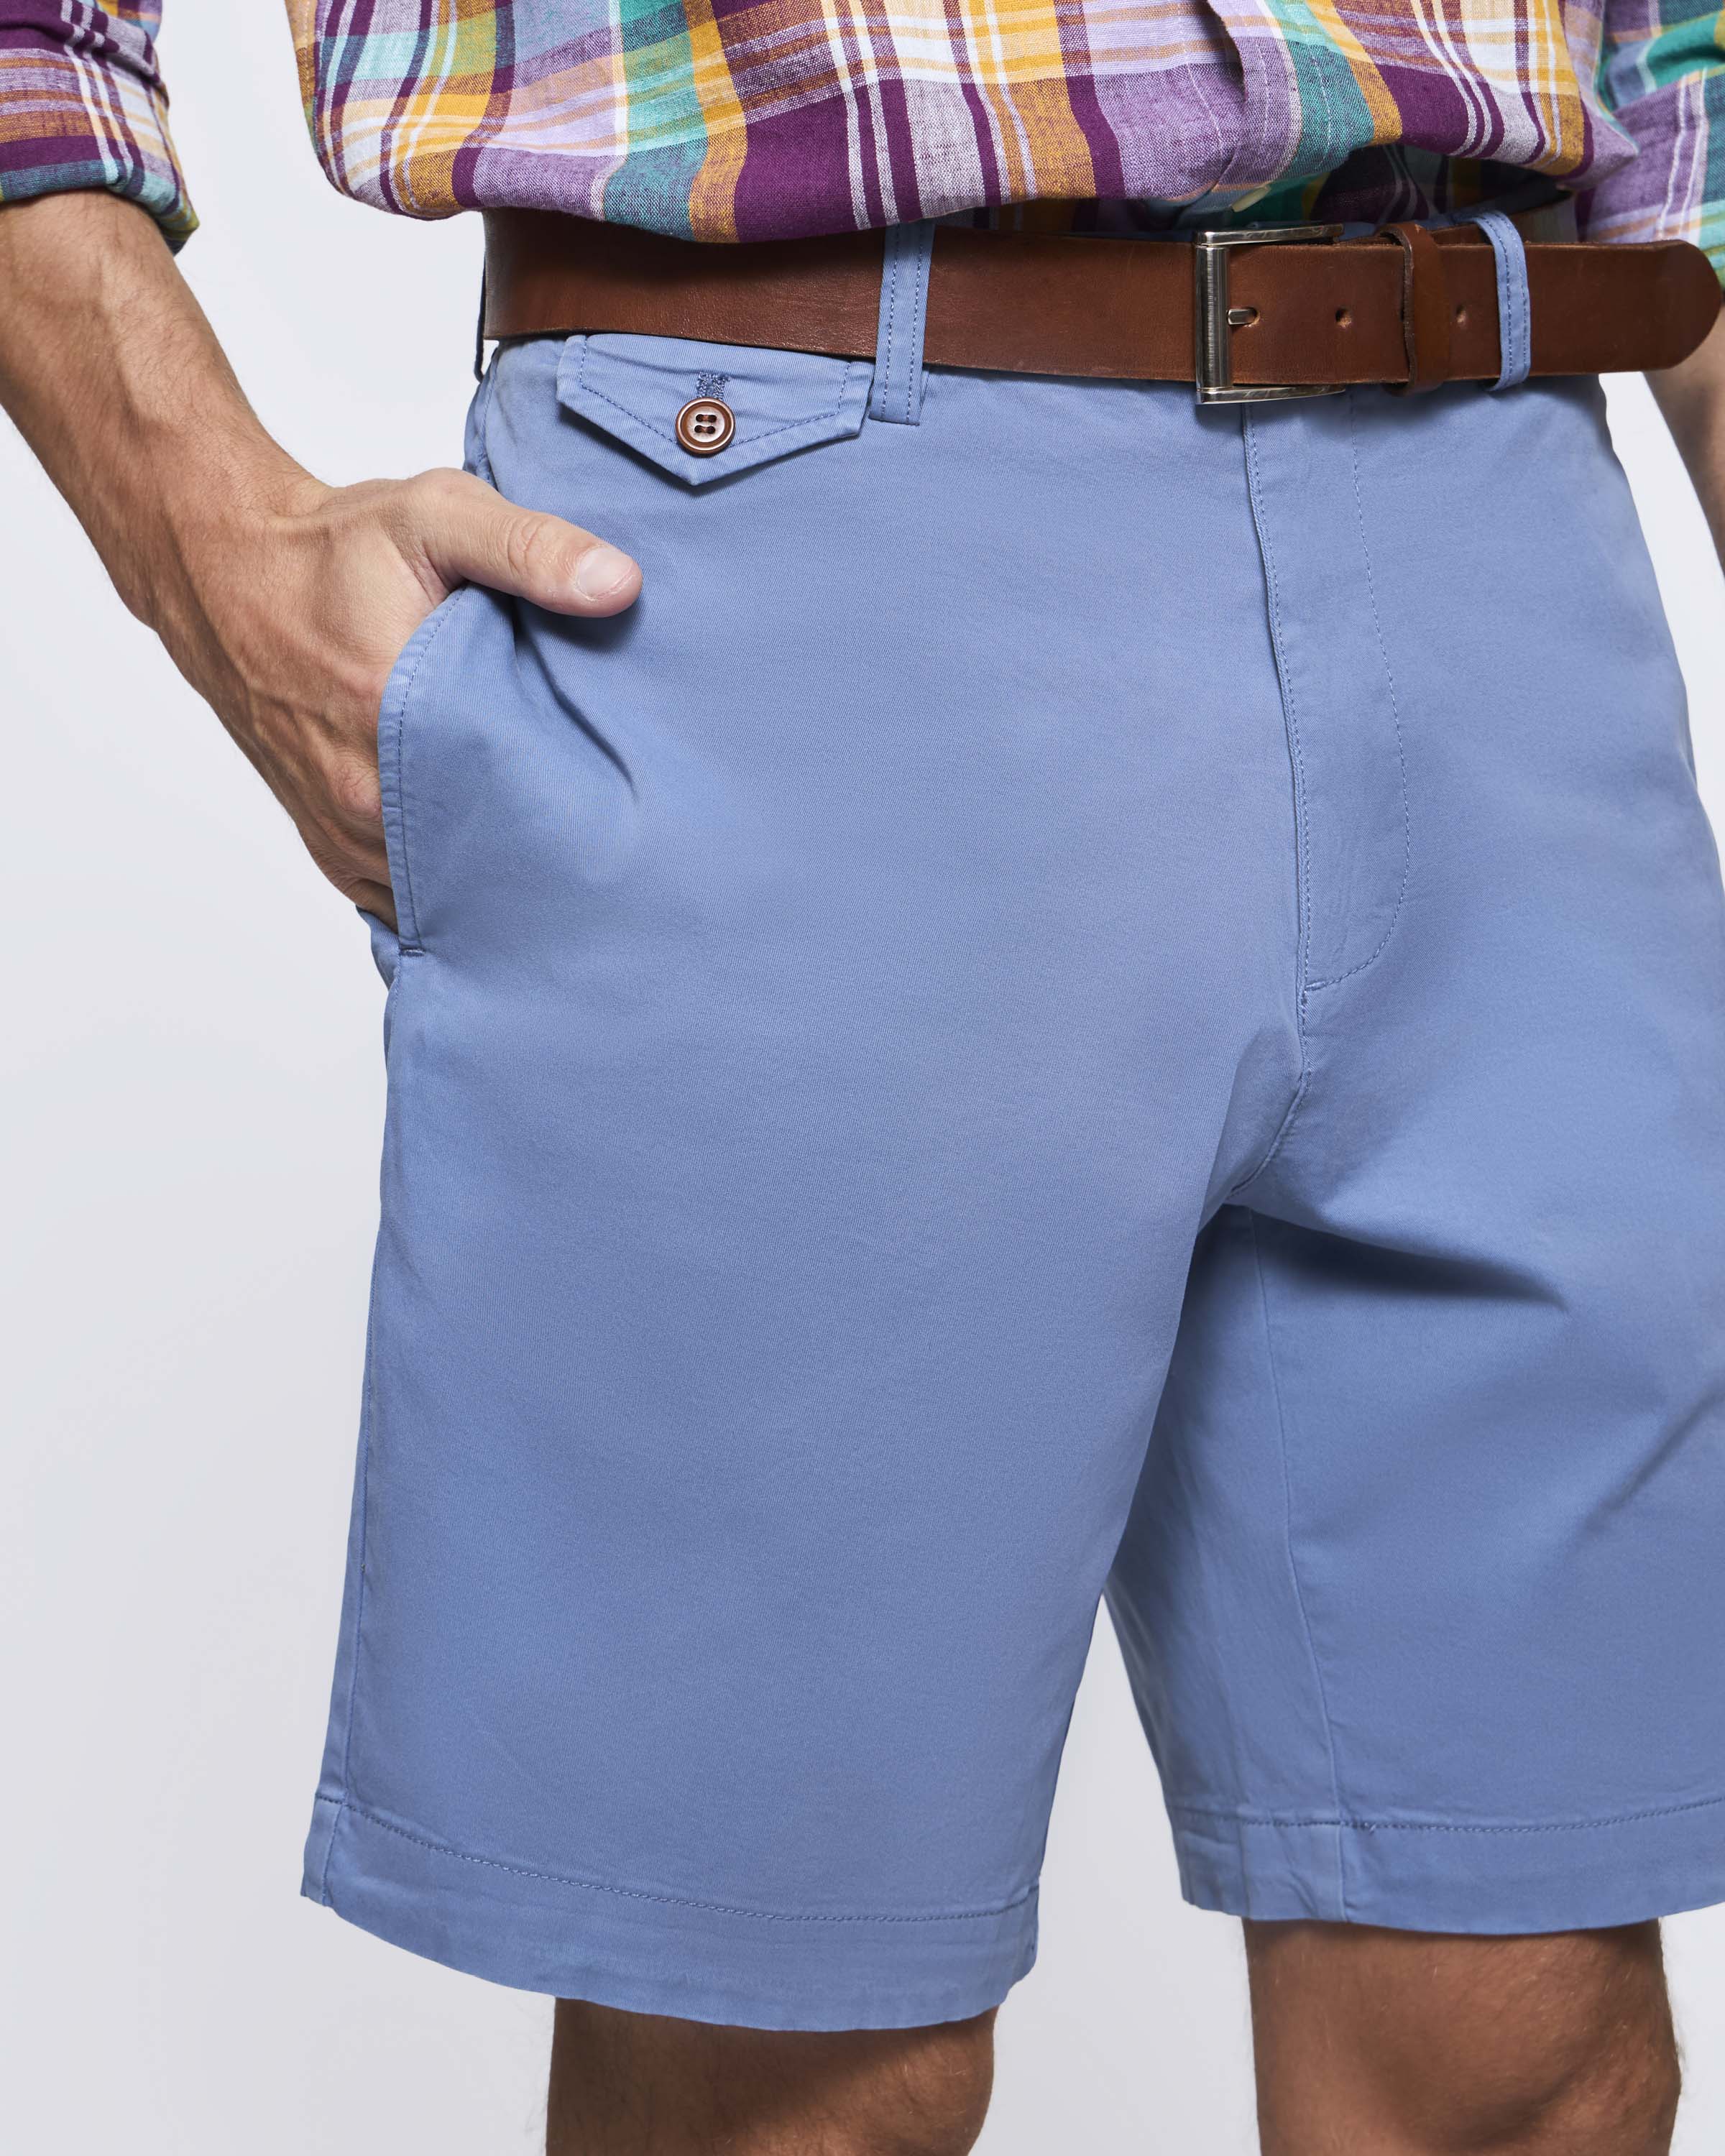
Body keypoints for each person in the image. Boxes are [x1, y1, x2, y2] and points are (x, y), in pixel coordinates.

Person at [4, 4, 1724, 2150]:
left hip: (1502, 530)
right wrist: (210, 542)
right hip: (789, 497)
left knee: (1528, 2031)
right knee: (806, 2076)